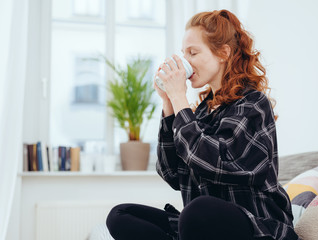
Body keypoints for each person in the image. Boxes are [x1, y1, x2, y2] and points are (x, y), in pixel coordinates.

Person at [106, 9, 299, 240]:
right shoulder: (202, 112)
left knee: (197, 211)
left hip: (254, 223)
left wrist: (180, 99)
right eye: (183, 53)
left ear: (223, 53)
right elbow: (171, 174)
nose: (185, 61)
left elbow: (213, 163)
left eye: (193, 53)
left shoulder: (253, 104)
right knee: (120, 215)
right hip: (203, 224)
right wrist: (168, 103)